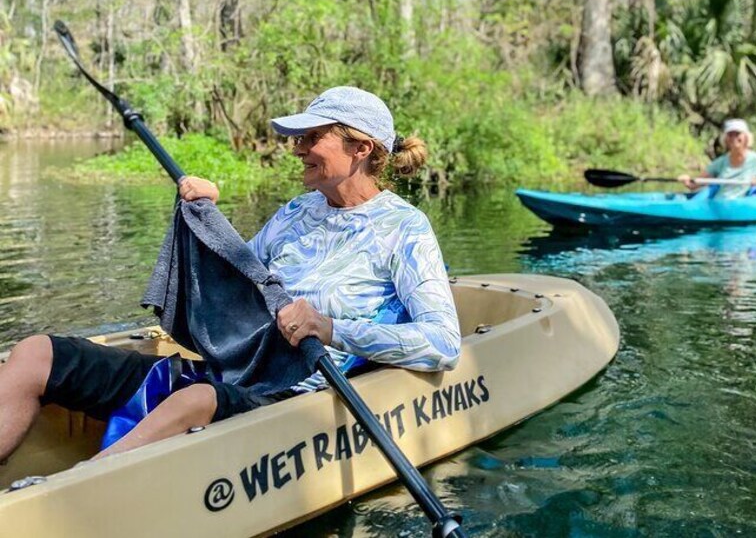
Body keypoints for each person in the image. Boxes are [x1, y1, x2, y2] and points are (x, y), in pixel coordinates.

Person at [0, 86, 461, 463]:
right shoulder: (296, 212)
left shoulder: (405, 229)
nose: (296, 147)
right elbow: (240, 282)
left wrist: (332, 328)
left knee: (195, 400)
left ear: (360, 149)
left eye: (311, 137)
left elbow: (442, 342)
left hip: (297, 396)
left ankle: (64, 500)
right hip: (236, 372)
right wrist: (208, 217)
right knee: (37, 353)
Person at [678, 119, 756, 199]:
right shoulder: (720, 162)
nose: (734, 138)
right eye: (730, 134)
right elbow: (694, 185)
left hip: (741, 207)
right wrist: (687, 180)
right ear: (726, 139)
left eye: (737, 134)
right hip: (719, 205)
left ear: (746, 138)